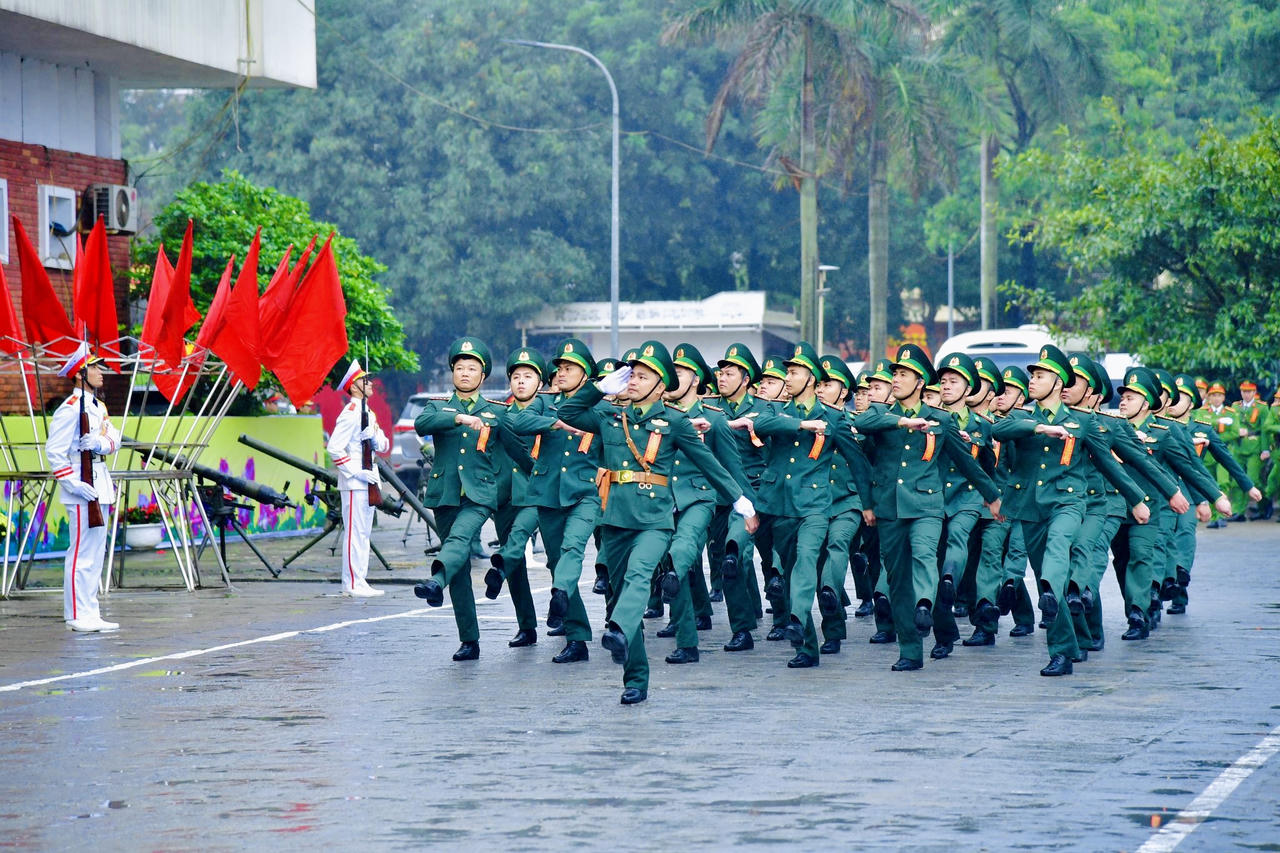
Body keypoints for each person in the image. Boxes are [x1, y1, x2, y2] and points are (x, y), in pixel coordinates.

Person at [558, 341, 757, 704]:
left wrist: (739, 499)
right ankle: (635, 678)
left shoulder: (675, 422)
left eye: (644, 376)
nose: (634, 380)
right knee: (620, 593)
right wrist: (599, 388)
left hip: (655, 520)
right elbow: (568, 411)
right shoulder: (608, 415)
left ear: (661, 386)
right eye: (632, 374)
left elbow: (708, 463)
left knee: (638, 578)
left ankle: (617, 627)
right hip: (615, 518)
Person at [504, 338, 605, 664]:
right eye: (559, 367)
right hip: (548, 495)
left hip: (586, 493)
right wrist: (554, 422)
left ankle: (621, 621)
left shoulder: (599, 408)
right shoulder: (544, 403)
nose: (560, 373)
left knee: (574, 550)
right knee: (558, 562)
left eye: (569, 368)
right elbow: (518, 423)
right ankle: (577, 639)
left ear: (586, 375)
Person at [413, 337, 506, 661]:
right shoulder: (438, 407)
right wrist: (458, 418)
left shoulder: (495, 411)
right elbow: (421, 424)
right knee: (460, 564)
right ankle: (470, 640)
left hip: (479, 496)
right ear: (452, 372)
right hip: (446, 495)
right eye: (460, 368)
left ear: (483, 376)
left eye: (473, 368)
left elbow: (517, 450)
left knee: (460, 541)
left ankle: (436, 580)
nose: (465, 373)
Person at [47, 343, 121, 632]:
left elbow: (115, 439)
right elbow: (54, 452)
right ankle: (77, 614)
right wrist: (73, 483)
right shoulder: (69, 410)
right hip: (81, 486)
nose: (100, 372)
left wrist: (99, 443)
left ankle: (91, 611)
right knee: (80, 553)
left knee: (96, 553)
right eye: (95, 367)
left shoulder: (97, 407)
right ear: (80, 374)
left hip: (99, 482)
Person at [485, 347, 550, 649]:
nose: (521, 382)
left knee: (560, 561)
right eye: (516, 377)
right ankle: (527, 626)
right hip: (506, 495)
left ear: (540, 382)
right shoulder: (499, 414)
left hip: (542, 493)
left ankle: (566, 615)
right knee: (515, 564)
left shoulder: (550, 412)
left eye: (528, 376)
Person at [326, 359, 389, 597]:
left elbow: (383, 444)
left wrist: (373, 439)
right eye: (365, 380)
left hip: (369, 479)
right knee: (355, 533)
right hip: (355, 482)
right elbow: (334, 448)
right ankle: (352, 583)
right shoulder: (351, 413)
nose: (370, 383)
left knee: (363, 533)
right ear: (354, 387)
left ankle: (360, 580)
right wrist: (355, 471)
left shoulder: (367, 413)